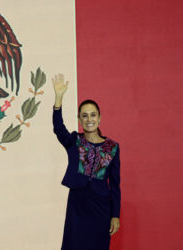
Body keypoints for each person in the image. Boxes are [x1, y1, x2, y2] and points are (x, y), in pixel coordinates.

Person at [52, 74, 121, 250]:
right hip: (78, 204)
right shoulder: (74, 141)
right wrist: (58, 99)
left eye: (93, 115)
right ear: (80, 120)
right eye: (85, 116)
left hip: (101, 207)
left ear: (99, 118)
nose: (89, 119)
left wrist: (115, 216)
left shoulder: (113, 147)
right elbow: (59, 129)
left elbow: (115, 185)